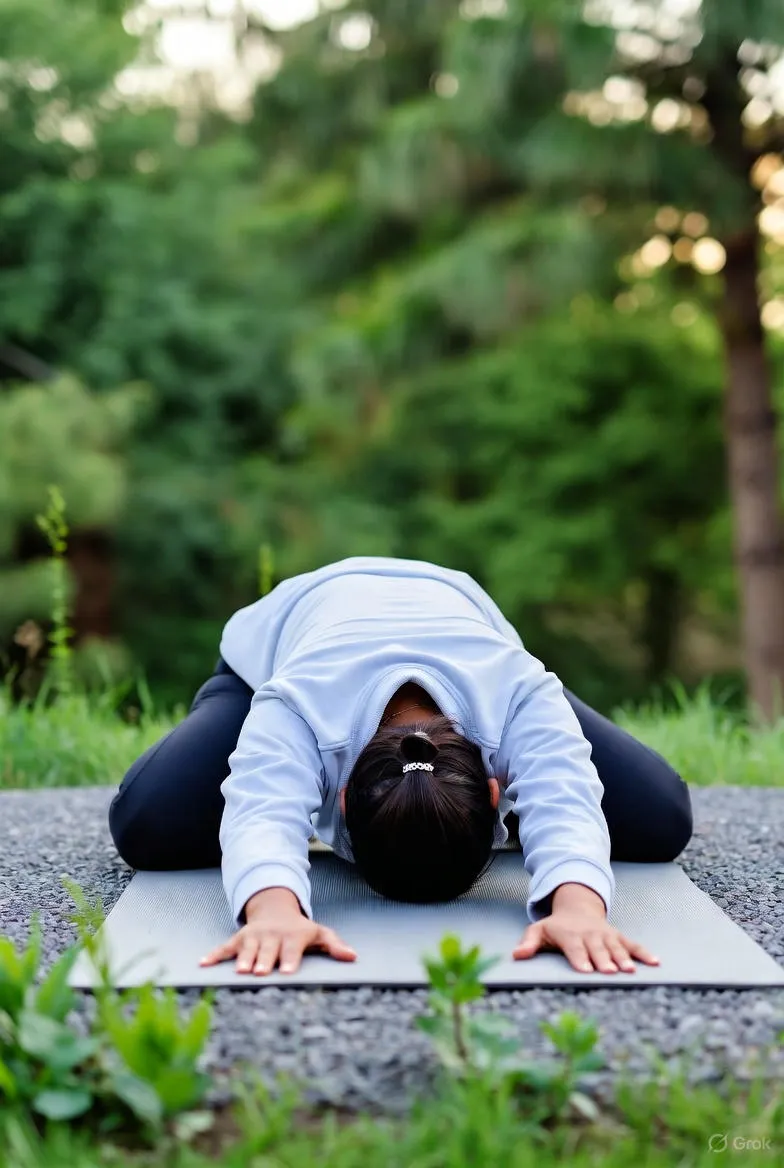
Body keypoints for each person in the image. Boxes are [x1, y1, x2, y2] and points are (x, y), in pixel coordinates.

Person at [109, 556, 693, 979]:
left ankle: (488, 802)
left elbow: (564, 795)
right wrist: (273, 913)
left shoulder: (520, 690)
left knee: (658, 820)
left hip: (464, 623)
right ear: (335, 801)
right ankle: (473, 802)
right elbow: (261, 808)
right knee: (149, 824)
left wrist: (578, 908)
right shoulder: (296, 703)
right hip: (285, 639)